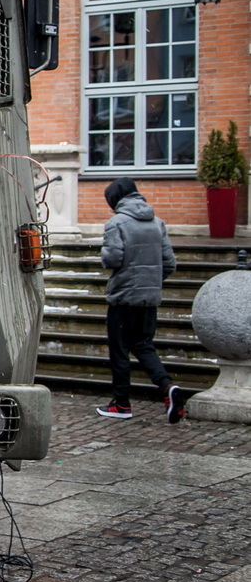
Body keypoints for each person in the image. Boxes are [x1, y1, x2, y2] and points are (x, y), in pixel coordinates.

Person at [97, 177, 184, 422]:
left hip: (123, 298)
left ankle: (122, 404)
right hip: (149, 299)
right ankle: (167, 387)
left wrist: (103, 252)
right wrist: (149, 281)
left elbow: (112, 259)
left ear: (114, 200)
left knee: (120, 351)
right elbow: (169, 264)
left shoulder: (117, 223)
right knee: (144, 346)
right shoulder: (157, 223)